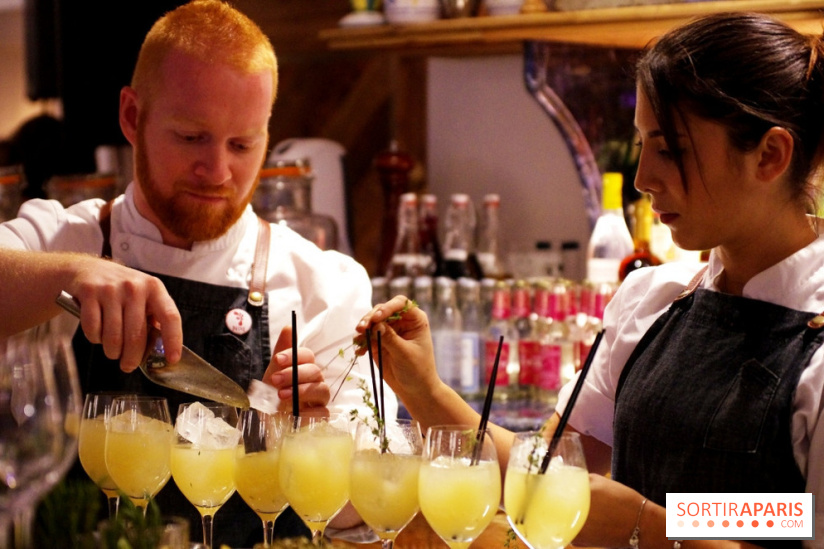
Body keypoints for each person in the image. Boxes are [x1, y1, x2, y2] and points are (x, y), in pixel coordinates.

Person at [357, 11, 824, 549]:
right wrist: (425, 390)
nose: (644, 178)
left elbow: (800, 519)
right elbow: (544, 477)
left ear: (769, 155)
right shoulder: (653, 300)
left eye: (671, 150)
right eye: (641, 145)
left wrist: (646, 525)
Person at [0, 1, 395, 546]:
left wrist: (303, 439)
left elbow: (364, 518)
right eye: (191, 138)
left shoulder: (323, 286)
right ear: (132, 117)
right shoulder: (59, 240)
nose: (218, 171)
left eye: (242, 144)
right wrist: (72, 273)